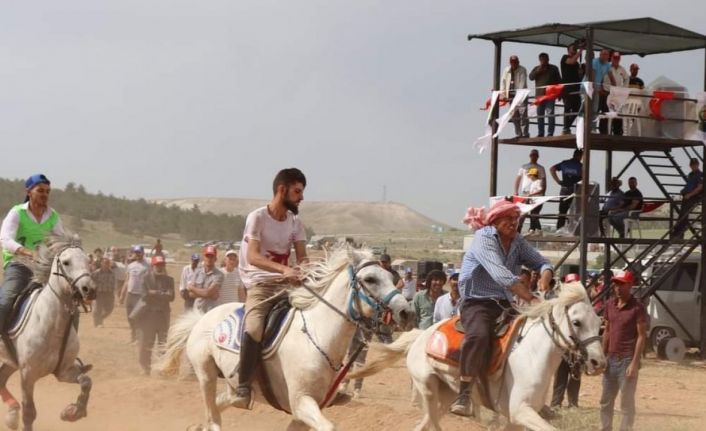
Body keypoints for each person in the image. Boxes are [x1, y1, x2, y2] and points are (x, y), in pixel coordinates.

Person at [451, 199, 553, 416]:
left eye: (516, 219)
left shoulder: (517, 241)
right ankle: (464, 393)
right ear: (495, 220)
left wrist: (546, 273)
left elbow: (541, 261)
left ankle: (532, 396)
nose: (514, 223)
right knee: (478, 336)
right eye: (509, 218)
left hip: (505, 304)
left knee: (534, 334)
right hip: (477, 302)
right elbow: (501, 275)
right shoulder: (484, 238)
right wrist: (532, 299)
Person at [233, 167, 308, 409]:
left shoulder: (296, 223)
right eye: (297, 191)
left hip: (287, 285)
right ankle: (242, 386)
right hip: (260, 284)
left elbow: (303, 258)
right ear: (282, 189)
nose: (301, 197)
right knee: (254, 327)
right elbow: (253, 256)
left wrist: (304, 272)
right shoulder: (257, 218)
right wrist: (285, 270)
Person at [0, 174, 65, 334]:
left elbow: (60, 241)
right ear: (29, 192)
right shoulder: (17, 212)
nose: (45, 195)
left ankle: (67, 353)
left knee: (69, 305)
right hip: (18, 265)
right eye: (40, 190)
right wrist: (28, 253)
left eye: (48, 191)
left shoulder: (53, 216)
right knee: (6, 301)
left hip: (44, 269)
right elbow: (5, 238)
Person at [600, 270, 647, 431]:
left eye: (621, 284)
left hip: (627, 360)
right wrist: (602, 355)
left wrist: (634, 363)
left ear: (630, 285)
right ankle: (606, 428)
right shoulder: (609, 305)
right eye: (615, 284)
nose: (617, 288)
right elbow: (607, 330)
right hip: (610, 359)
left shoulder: (637, 308)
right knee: (606, 400)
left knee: (626, 403)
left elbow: (641, 336)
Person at [139, 255, 174, 375]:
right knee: (146, 343)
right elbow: (144, 296)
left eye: (162, 265)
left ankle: (162, 368)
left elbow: (171, 297)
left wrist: (154, 293)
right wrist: (162, 294)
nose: (160, 267)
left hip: (163, 316)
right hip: (149, 316)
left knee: (163, 344)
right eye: (157, 265)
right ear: (152, 266)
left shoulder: (169, 280)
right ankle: (145, 368)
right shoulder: (145, 279)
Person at [119, 245, 151, 344]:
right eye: (136, 252)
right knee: (130, 317)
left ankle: (138, 338)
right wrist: (122, 295)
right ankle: (133, 337)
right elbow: (127, 281)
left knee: (139, 317)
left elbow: (150, 281)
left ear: (143, 253)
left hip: (141, 295)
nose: (137, 254)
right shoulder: (131, 266)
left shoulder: (147, 266)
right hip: (130, 294)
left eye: (139, 252)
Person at [529, 53, 562, 137]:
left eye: (545, 59)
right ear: (539, 60)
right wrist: (538, 70)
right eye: (542, 60)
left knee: (550, 114)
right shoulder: (536, 68)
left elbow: (559, 81)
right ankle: (541, 133)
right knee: (540, 115)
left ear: (548, 59)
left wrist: (560, 93)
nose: (544, 61)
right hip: (539, 96)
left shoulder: (554, 68)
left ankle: (550, 133)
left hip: (550, 95)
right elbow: (531, 77)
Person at [514, 149, 546, 235]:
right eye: (532, 155)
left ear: (537, 156)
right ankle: (519, 230)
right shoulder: (524, 167)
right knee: (523, 213)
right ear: (530, 156)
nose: (534, 157)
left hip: (536, 193)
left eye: (535, 155)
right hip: (525, 192)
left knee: (534, 213)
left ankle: (533, 229)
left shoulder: (540, 168)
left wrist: (542, 194)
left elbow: (543, 182)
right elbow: (518, 179)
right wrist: (516, 191)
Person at [550, 149, 583, 230]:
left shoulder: (565, 163)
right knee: (575, 213)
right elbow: (584, 178)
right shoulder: (581, 166)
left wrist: (558, 181)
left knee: (562, 212)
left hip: (564, 190)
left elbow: (552, 169)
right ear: (580, 156)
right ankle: (573, 231)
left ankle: (559, 230)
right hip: (575, 191)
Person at [187, 246, 224, 313]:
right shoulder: (197, 272)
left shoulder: (219, 275)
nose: (209, 259)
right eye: (207, 256)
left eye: (211, 256)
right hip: (197, 310)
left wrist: (192, 288)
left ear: (215, 258)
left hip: (211, 311)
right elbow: (190, 294)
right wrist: (209, 295)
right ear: (204, 257)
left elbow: (208, 293)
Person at [600, 51, 629, 135]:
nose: (616, 60)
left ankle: (617, 131)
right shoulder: (606, 67)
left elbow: (626, 78)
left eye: (617, 58)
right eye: (614, 58)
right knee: (605, 111)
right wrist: (601, 88)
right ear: (611, 58)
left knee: (617, 112)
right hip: (607, 92)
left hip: (617, 94)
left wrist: (623, 89)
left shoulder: (622, 69)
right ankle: (603, 131)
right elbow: (600, 78)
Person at [673, 158, 703, 239]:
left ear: (698, 165)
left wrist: (689, 194)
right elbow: (689, 185)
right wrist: (684, 191)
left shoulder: (701, 175)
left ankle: (678, 233)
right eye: (692, 165)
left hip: (694, 196)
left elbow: (699, 188)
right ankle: (677, 233)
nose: (693, 166)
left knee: (684, 214)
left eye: (695, 164)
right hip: (687, 196)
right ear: (690, 165)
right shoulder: (690, 174)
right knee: (682, 214)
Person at [500, 55, 529, 138]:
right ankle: (518, 133)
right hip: (511, 96)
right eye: (512, 63)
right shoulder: (506, 70)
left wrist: (518, 95)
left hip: (521, 95)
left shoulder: (522, 69)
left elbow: (522, 83)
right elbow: (503, 82)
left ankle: (525, 133)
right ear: (510, 63)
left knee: (523, 114)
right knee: (514, 115)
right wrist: (503, 94)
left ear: (518, 62)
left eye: (515, 62)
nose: (514, 64)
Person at [561, 42, 584, 134]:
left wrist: (580, 73)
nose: (575, 49)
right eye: (573, 48)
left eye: (575, 48)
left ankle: (567, 126)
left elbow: (578, 74)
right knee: (568, 107)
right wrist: (580, 50)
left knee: (577, 108)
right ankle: (566, 128)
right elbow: (571, 61)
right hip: (567, 88)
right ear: (568, 50)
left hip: (576, 87)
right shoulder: (564, 57)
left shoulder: (577, 62)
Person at [91, 257, 116, 328]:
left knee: (110, 309)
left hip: (109, 293)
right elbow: (90, 280)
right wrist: (94, 287)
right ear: (102, 264)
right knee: (98, 309)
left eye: (108, 263)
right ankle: (98, 323)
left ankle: (100, 318)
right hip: (99, 293)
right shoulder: (97, 272)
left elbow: (113, 283)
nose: (106, 264)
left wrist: (113, 293)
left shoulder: (112, 273)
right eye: (105, 263)